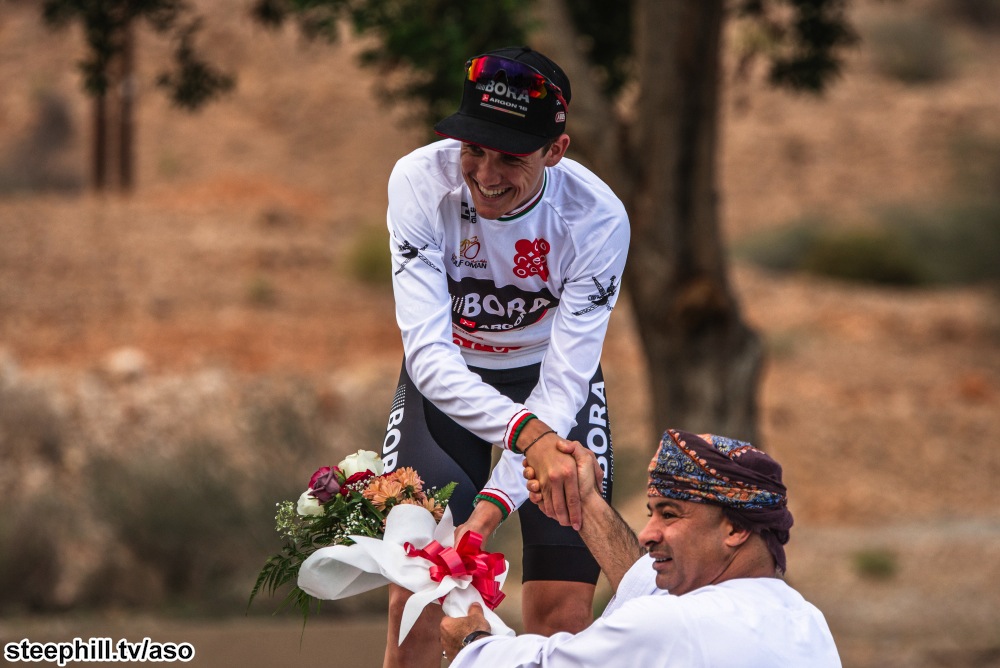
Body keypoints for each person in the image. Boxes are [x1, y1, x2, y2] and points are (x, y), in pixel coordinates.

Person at [379, 45, 630, 666]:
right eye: (473, 148)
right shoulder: (418, 181)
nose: (487, 173)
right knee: (418, 602)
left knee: (562, 615)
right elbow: (428, 357)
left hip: (549, 382)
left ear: (556, 151)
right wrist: (528, 438)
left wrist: (491, 511)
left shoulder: (597, 219)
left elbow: (563, 385)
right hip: (449, 381)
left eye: (512, 156)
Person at [440, 429, 843, 667]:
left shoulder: (676, 625)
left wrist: (474, 646)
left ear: (736, 528)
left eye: (669, 514)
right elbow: (647, 589)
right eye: (652, 513)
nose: (648, 533)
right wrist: (585, 504)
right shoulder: (807, 623)